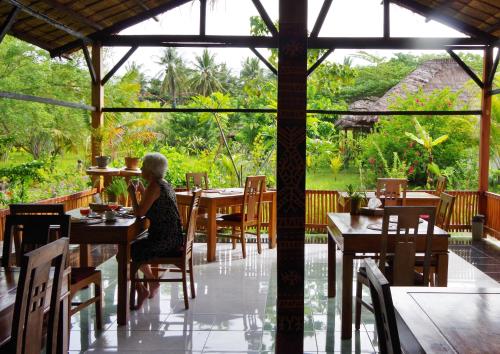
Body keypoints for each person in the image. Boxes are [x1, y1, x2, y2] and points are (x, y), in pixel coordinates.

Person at [127, 152, 184, 309]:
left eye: (143, 166)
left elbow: (139, 213)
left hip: (164, 240)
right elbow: (151, 203)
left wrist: (132, 194)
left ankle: (146, 286)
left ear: (150, 171)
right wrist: (142, 191)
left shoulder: (155, 186)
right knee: (129, 250)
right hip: (173, 237)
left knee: (126, 252)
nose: (141, 169)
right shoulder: (162, 183)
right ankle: (151, 283)